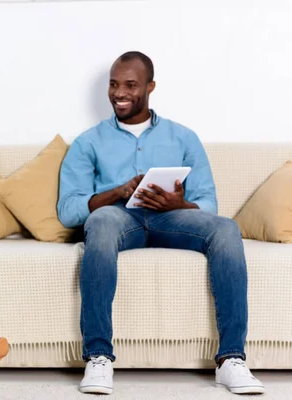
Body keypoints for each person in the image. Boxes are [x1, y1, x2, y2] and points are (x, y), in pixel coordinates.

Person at [57, 52, 264, 395]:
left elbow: (209, 203)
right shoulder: (87, 143)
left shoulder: (183, 138)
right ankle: (98, 357)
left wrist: (179, 203)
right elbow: (69, 210)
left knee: (226, 228)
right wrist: (117, 192)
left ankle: (231, 360)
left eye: (130, 85)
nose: (118, 93)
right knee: (102, 222)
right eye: (113, 84)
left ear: (150, 87)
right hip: (119, 218)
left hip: (173, 219)